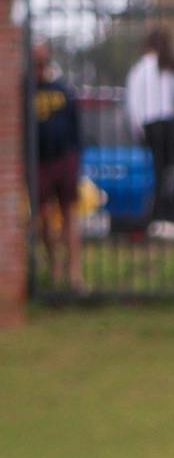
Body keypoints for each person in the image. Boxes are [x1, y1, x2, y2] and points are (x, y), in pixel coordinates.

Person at [125, 28, 174, 242]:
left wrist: (139, 131)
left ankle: (159, 217)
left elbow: (133, 107)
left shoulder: (139, 70)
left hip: (152, 128)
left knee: (159, 174)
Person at [30, 42, 84, 292]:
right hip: (39, 164)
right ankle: (54, 269)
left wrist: (76, 159)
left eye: (42, 62)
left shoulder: (62, 91)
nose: (39, 68)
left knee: (69, 216)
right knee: (42, 218)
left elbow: (75, 129)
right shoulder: (25, 94)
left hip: (64, 160)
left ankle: (74, 274)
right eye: (35, 63)